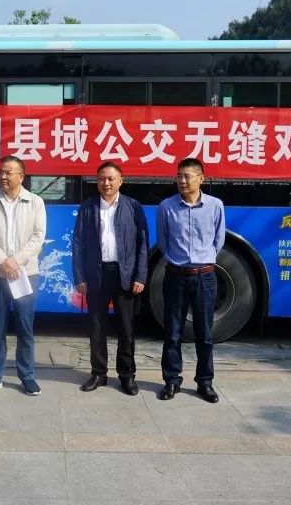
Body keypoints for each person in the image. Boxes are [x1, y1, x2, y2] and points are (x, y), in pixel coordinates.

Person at [72, 162, 148, 396]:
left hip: (125, 274)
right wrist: (79, 277)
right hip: (96, 274)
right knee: (97, 327)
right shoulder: (88, 207)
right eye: (101, 178)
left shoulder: (133, 207)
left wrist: (140, 275)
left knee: (126, 327)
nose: (106, 183)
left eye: (111, 178)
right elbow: (78, 244)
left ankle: (127, 375)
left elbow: (142, 244)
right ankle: (98, 373)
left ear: (120, 181)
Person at [0, 155, 46, 396]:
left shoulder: (35, 202)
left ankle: (27, 376)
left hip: (26, 273)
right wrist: (3, 262)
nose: (3, 177)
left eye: (8, 172)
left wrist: (15, 262)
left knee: (25, 327)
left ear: (21, 176)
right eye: (0, 172)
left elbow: (38, 236)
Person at [156, 157, 224, 403]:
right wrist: (178, 260)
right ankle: (171, 381)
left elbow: (218, 240)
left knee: (204, 333)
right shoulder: (166, 206)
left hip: (205, 277)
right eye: (179, 176)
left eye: (187, 176)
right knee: (173, 332)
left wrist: (203, 261)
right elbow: (163, 241)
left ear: (201, 178)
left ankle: (205, 382)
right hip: (176, 276)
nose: (182, 181)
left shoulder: (215, 205)